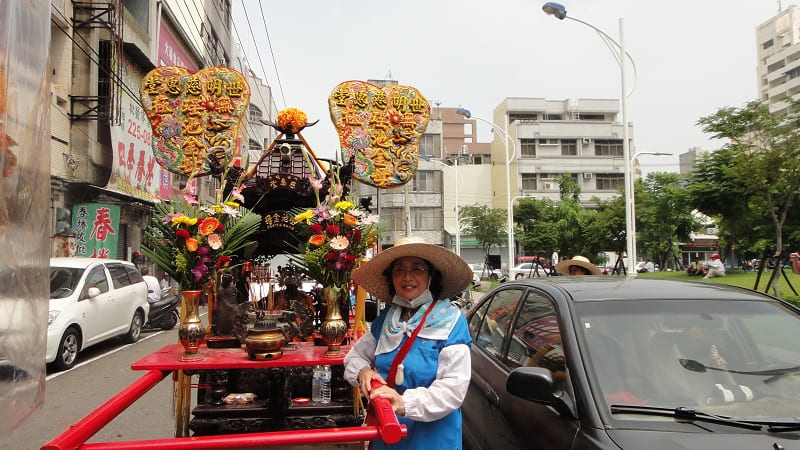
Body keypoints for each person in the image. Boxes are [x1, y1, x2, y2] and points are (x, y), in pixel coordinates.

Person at [344, 236, 473, 450]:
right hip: (388, 435)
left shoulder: (451, 322)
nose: (407, 277)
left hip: (433, 439)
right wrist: (363, 372)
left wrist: (404, 403)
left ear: (431, 275)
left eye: (417, 269)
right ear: (391, 277)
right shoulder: (387, 319)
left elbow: (453, 389)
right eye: (399, 270)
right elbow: (355, 357)